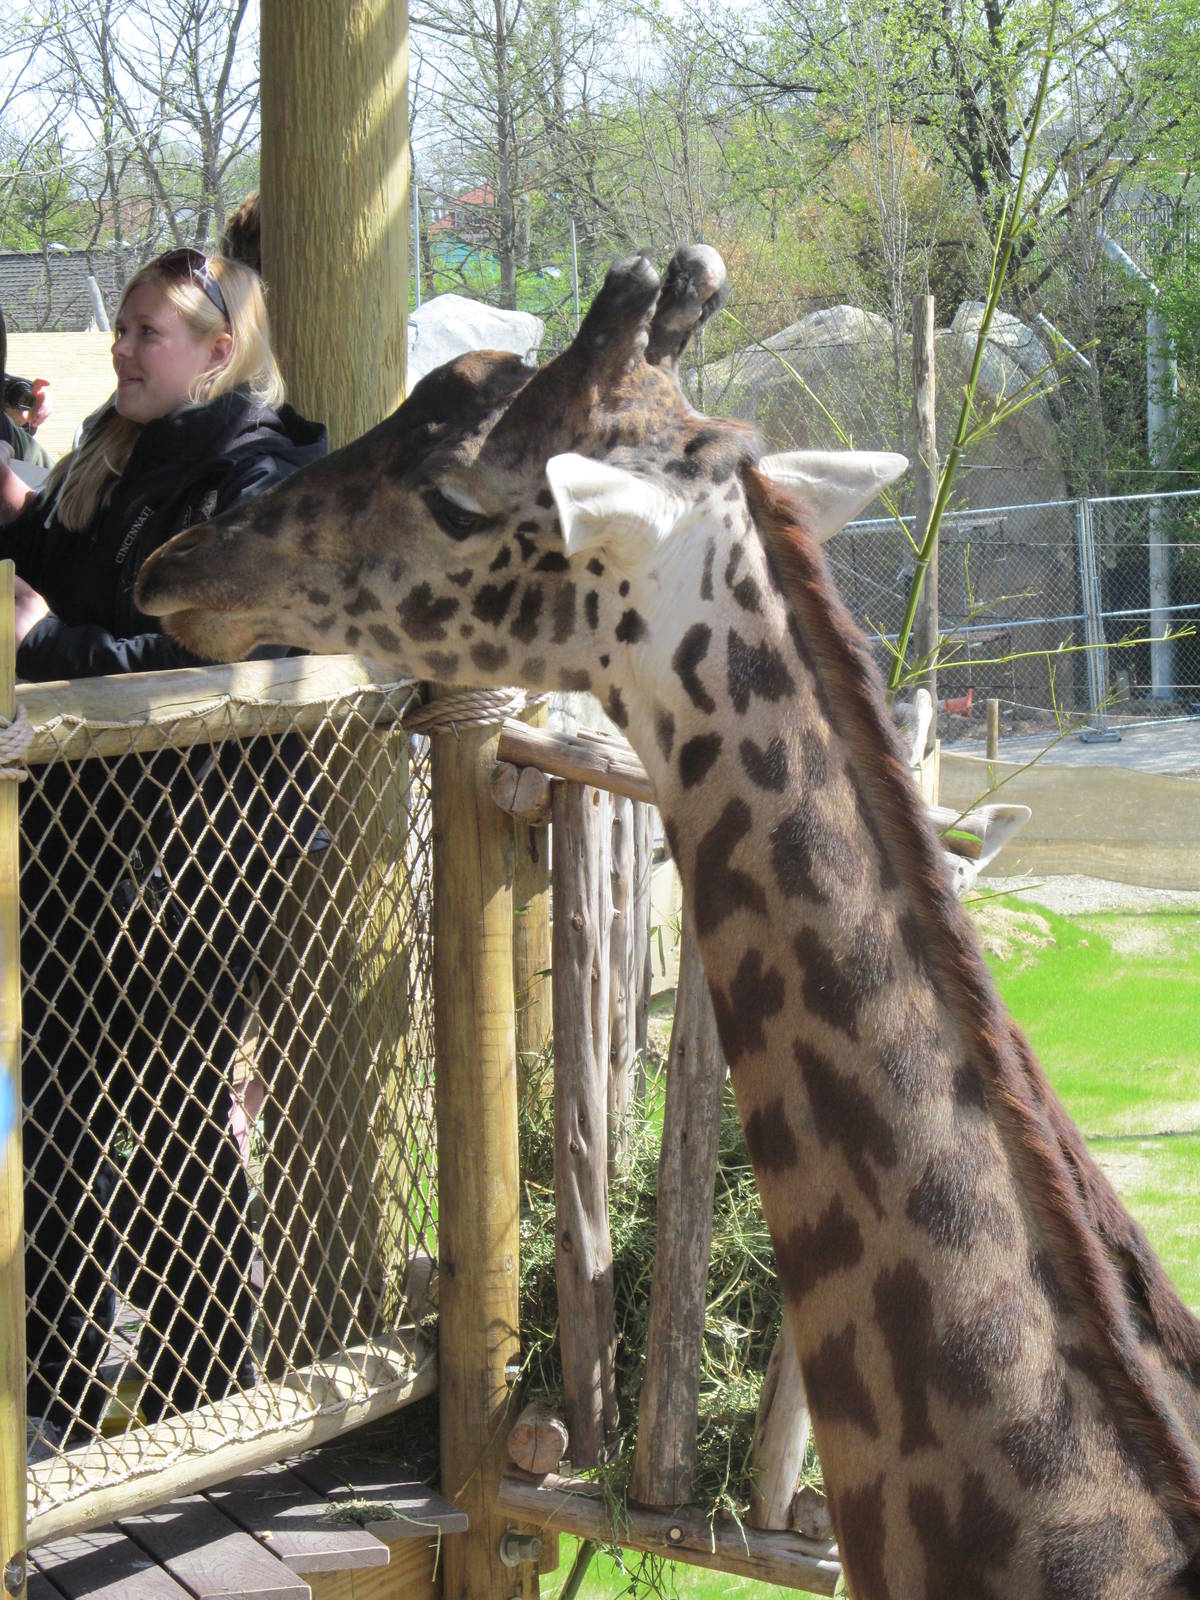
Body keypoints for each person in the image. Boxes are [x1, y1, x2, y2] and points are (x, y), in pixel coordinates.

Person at [0, 248, 328, 1447]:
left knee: (179, 1117)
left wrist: (45, 643)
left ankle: (199, 1407)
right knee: (66, 1116)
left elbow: (206, 657)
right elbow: (74, 585)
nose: (124, 349)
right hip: (86, 844)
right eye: (126, 328)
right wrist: (24, 531)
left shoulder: (258, 476)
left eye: (148, 332)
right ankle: (58, 1400)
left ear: (216, 351)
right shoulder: (117, 453)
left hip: (198, 851)